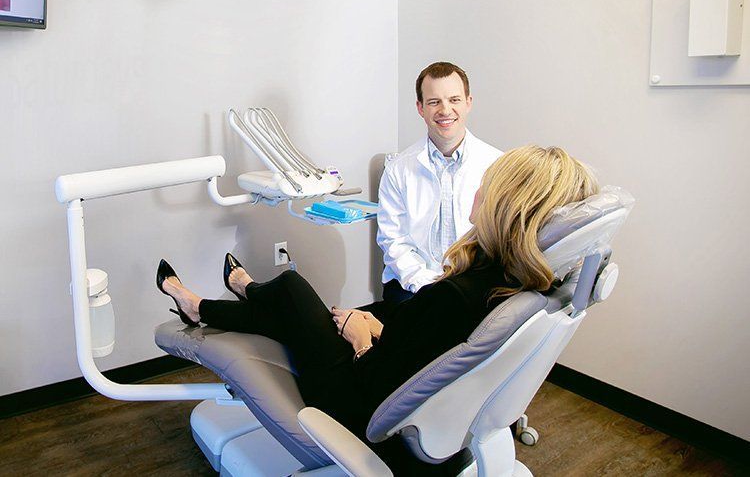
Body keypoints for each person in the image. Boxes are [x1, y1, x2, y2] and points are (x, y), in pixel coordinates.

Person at [157, 145, 598, 474]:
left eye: (491, 183)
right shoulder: (520, 288)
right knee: (295, 308)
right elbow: (435, 359)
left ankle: (221, 300)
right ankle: (213, 302)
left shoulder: (456, 296)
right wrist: (381, 329)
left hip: (359, 408)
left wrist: (362, 338)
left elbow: (380, 389)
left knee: (291, 288)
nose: (480, 187)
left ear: (506, 204)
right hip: (421, 411)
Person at [378, 62, 503, 304]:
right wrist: (427, 285)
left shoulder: (497, 165)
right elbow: (393, 241)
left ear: (468, 102)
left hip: (473, 284)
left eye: (454, 100)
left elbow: (500, 239)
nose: (445, 110)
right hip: (411, 285)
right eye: (434, 102)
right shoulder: (398, 169)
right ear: (420, 108)